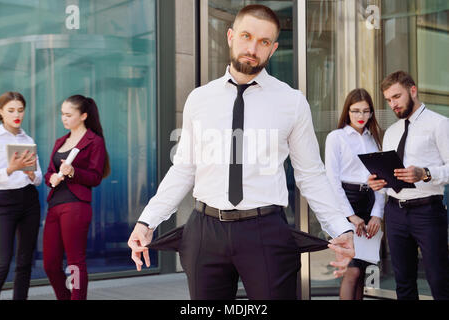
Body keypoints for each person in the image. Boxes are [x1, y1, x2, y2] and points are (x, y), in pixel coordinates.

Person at [128, 4, 354, 300]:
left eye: (263, 42)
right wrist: (147, 222)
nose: (252, 48)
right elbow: (184, 168)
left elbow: (310, 174)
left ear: (272, 49)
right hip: (204, 231)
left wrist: (340, 227)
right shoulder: (199, 99)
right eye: (246, 36)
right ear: (231, 36)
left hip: (265, 230)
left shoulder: (292, 102)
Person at [368, 71, 449, 300]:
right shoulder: (391, 133)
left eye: (397, 96)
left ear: (413, 90)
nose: (393, 104)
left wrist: (425, 173)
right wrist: (378, 183)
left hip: (428, 213)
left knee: (439, 281)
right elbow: (390, 178)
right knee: (403, 284)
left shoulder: (439, 124)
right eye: (389, 100)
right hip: (395, 213)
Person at [43, 95, 110, 300]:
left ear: (83, 116)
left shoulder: (94, 141)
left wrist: (72, 172)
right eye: (62, 114)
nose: (63, 118)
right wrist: (51, 178)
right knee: (50, 264)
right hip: (55, 205)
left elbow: (95, 177)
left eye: (68, 114)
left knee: (75, 262)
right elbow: (48, 172)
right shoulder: (60, 141)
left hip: (76, 205)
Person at [325, 88, 384, 300]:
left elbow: (381, 180)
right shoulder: (336, 138)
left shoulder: (375, 140)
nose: (361, 116)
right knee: (352, 271)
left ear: (371, 113)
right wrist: (350, 216)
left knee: (362, 271)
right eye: (355, 111)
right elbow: (332, 181)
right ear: (347, 111)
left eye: (366, 111)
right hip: (346, 203)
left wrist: (377, 213)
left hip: (370, 203)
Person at [0, 92, 42, 300]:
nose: (17, 114)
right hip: (3, 203)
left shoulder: (28, 139)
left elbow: (39, 178)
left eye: (20, 110)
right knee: (2, 262)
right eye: (11, 110)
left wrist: (32, 174)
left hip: (29, 200)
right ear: (0, 112)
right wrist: (10, 169)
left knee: (25, 261)